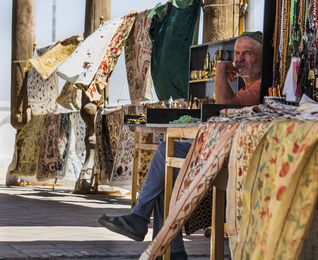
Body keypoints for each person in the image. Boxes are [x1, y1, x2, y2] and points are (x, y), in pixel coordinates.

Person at [98, 31, 263, 260]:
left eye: (247, 54)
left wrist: (218, 71)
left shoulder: (260, 87)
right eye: (237, 53)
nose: (239, 59)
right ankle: (168, 247)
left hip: (235, 156)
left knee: (167, 151)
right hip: (222, 149)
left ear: (262, 59)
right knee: (167, 170)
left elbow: (224, 105)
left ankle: (145, 224)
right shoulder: (245, 88)